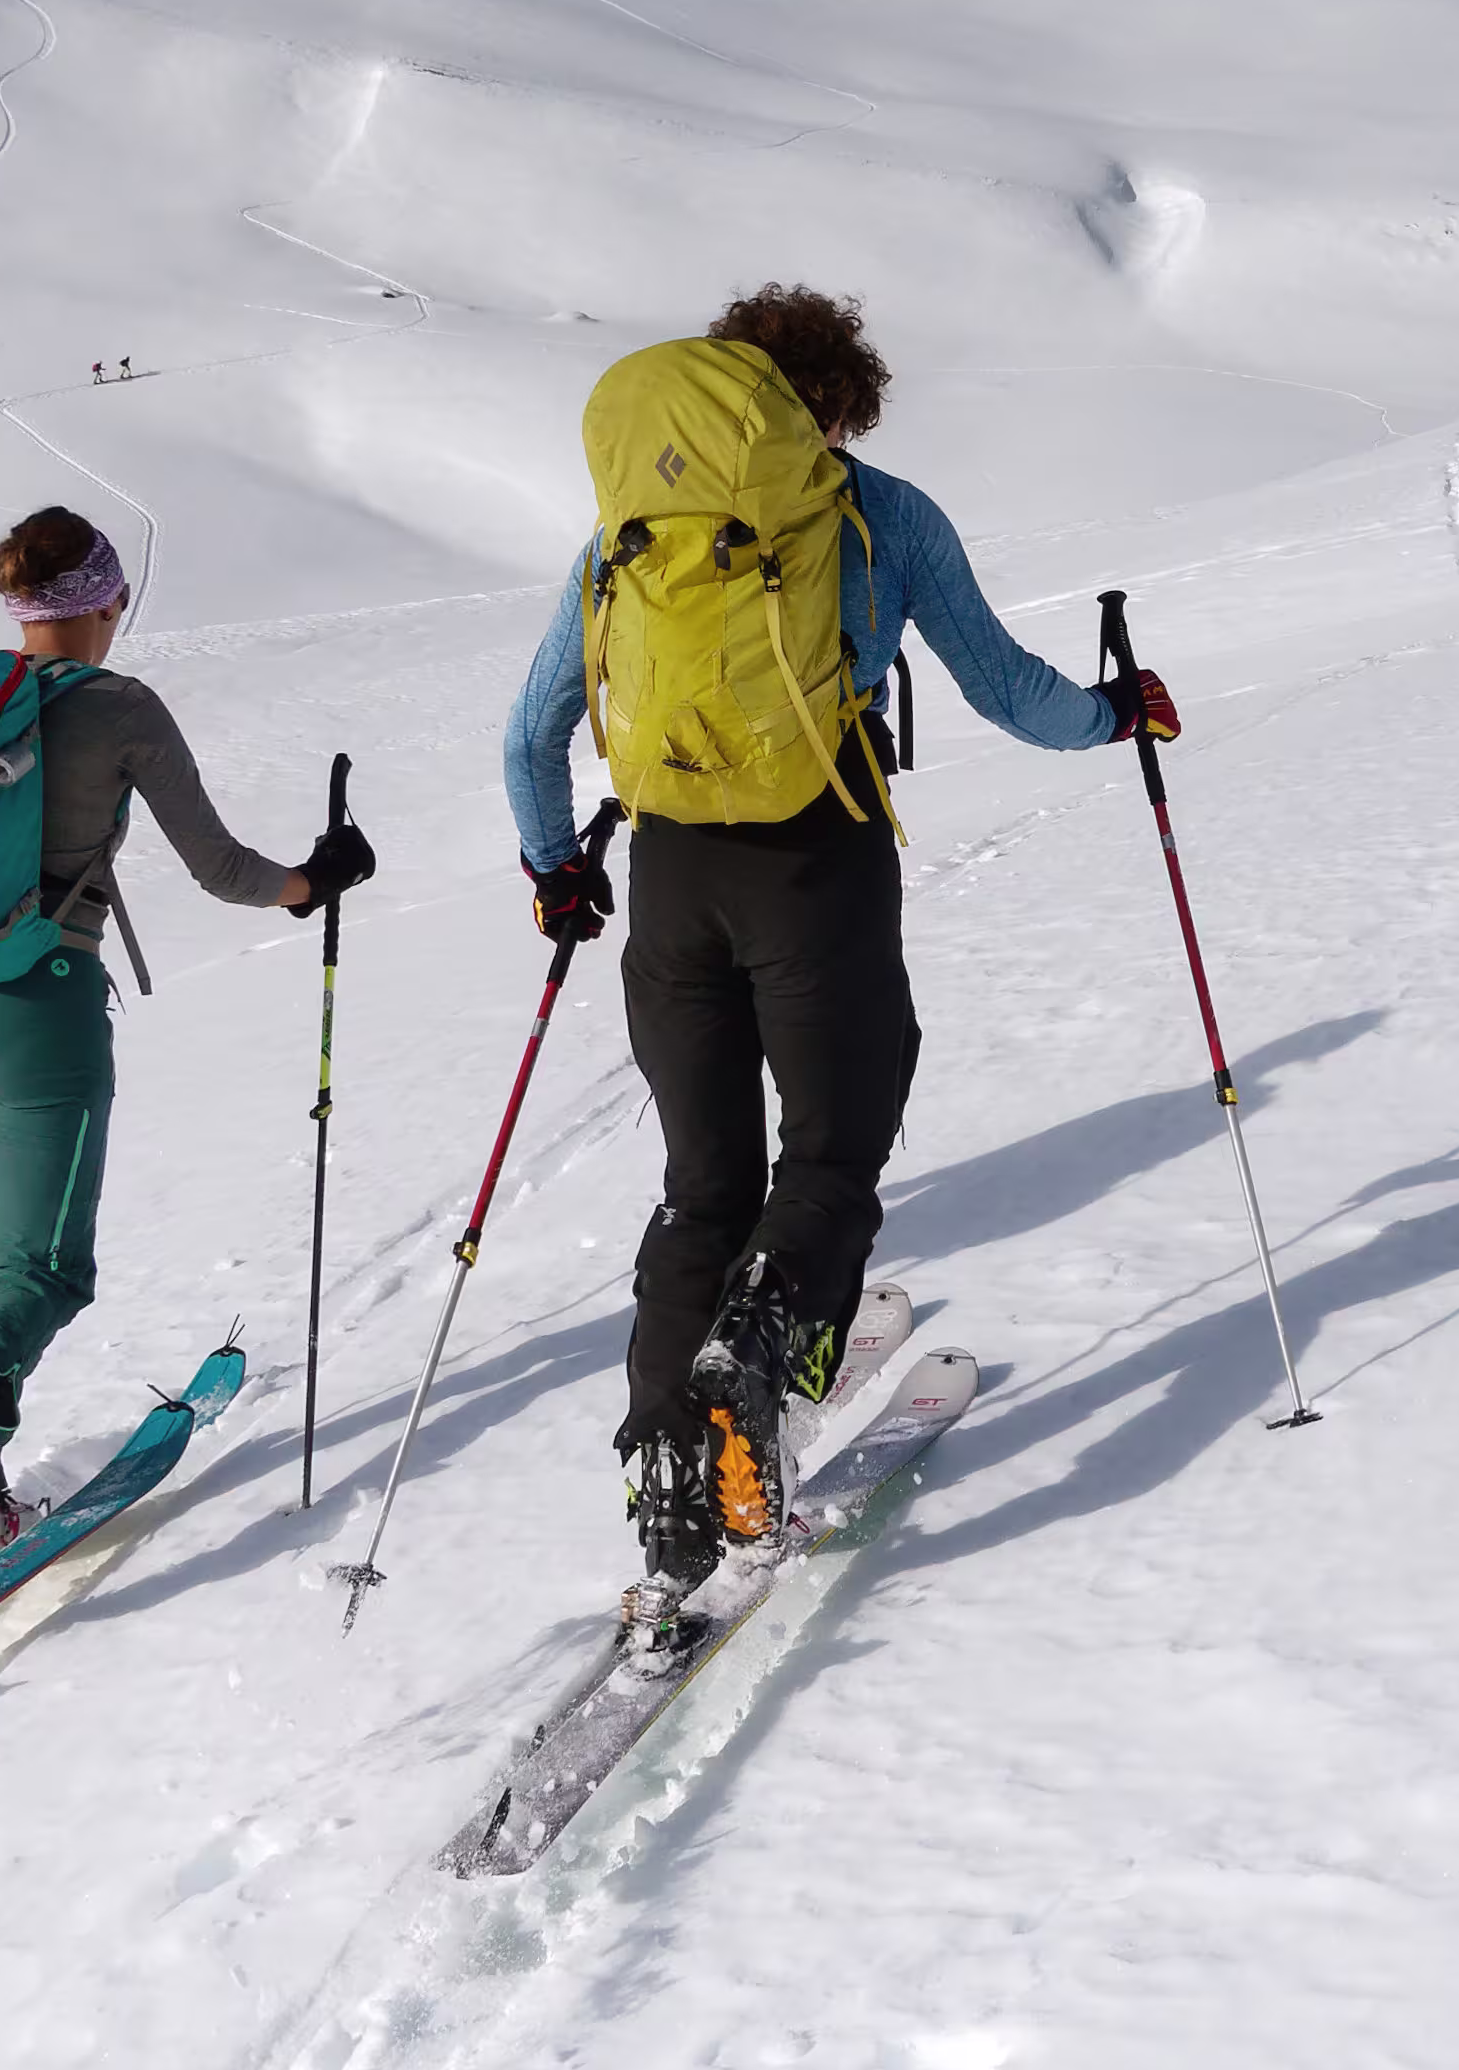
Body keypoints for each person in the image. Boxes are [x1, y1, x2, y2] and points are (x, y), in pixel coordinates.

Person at [502, 284, 1180, 1639]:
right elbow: (1007, 692)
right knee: (831, 1149)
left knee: (703, 1188)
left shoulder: (631, 534)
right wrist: (1118, 711)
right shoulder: (880, 512)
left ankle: (671, 1482)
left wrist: (556, 869)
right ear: (836, 402)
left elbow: (531, 736)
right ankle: (757, 1354)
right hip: (820, 859)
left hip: (669, 880)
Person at [0, 505, 373, 1601]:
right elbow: (224, 867)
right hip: (30, 1009)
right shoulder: (118, 707)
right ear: (99, 602)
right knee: (39, 1266)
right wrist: (314, 881)